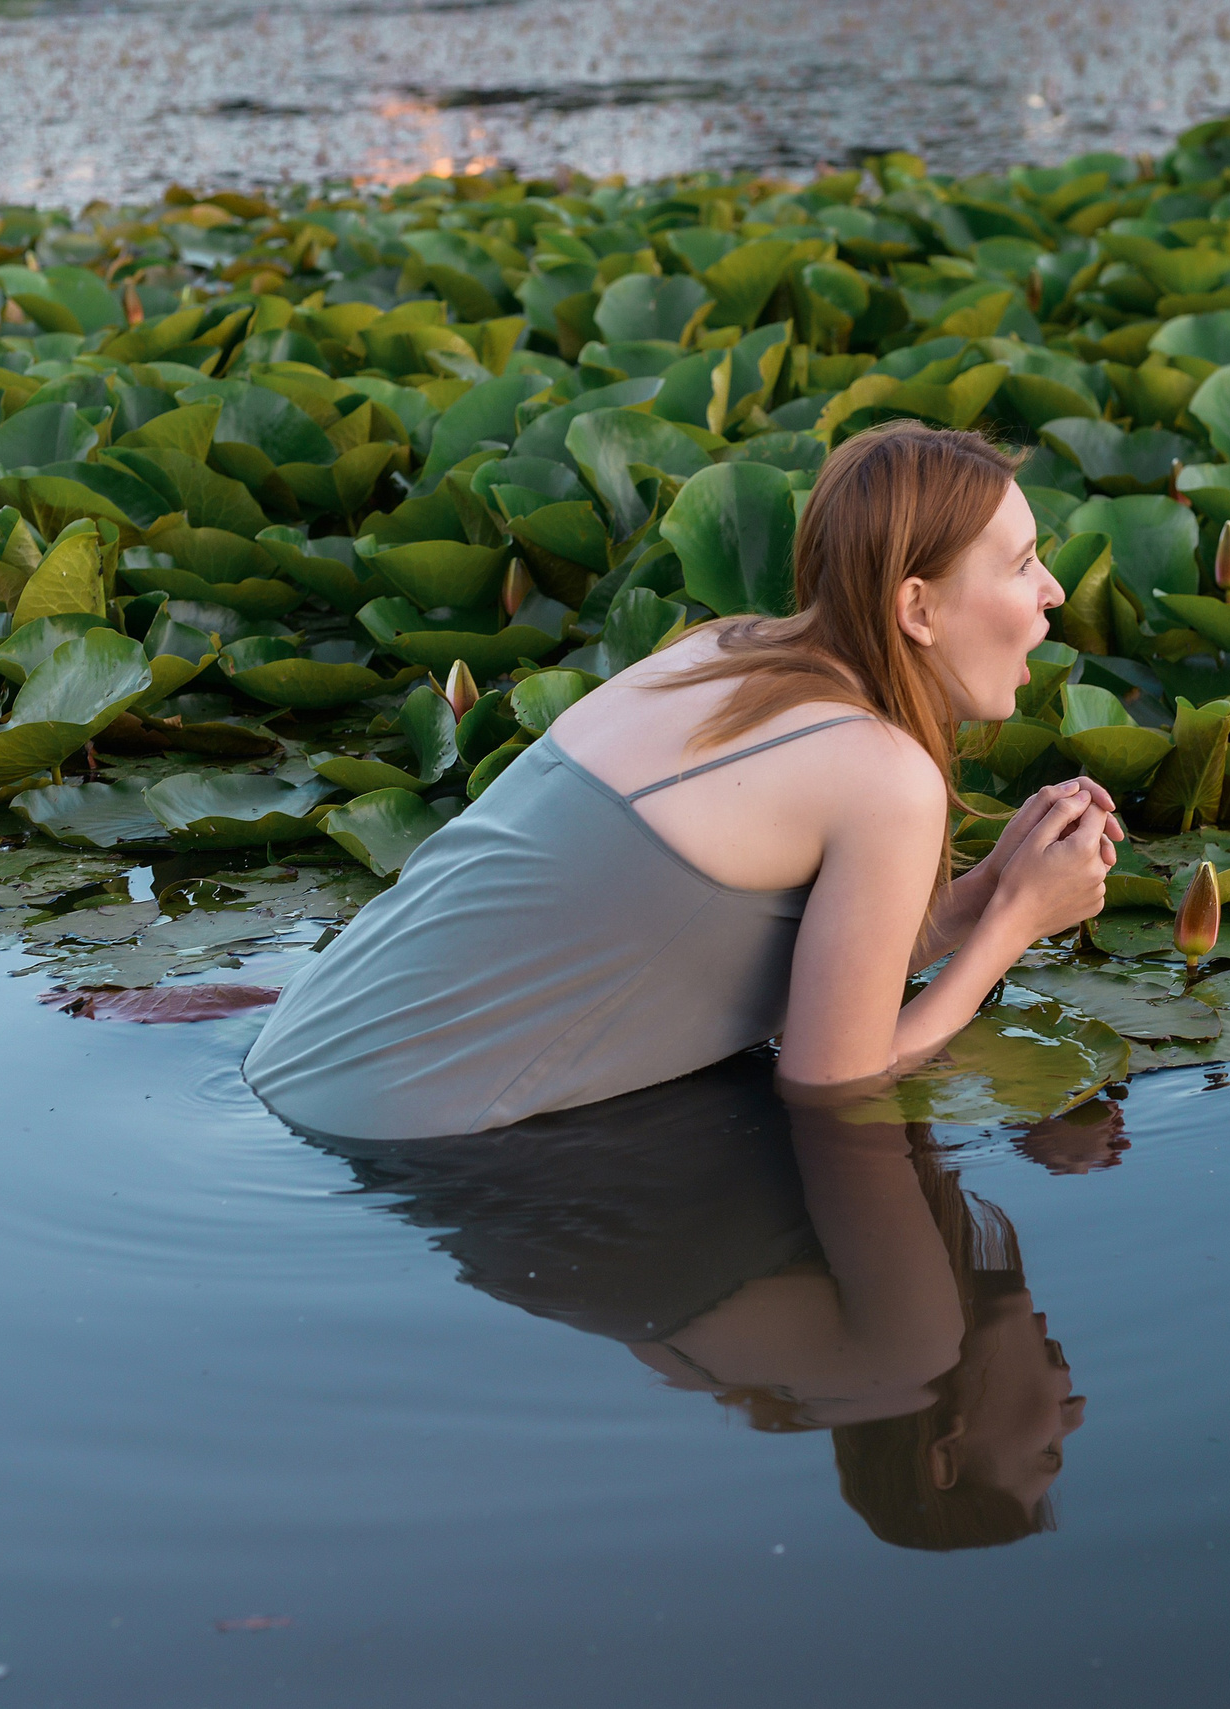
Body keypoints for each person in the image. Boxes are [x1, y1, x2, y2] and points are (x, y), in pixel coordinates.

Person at [244, 420, 1125, 1141]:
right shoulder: (886, 773)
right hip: (401, 1136)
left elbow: (745, 958)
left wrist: (983, 892)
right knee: (900, 1346)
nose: (1051, 591)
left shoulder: (722, 648)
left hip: (294, 1048)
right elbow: (834, 1085)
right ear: (917, 609)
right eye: (1021, 564)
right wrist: (1014, 926)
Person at [308, 1055, 1090, 1550]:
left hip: (473, 1140)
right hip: (476, 1167)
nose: (1074, 1413)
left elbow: (848, 1086)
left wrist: (1018, 918)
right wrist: (1027, 1107)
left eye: (1046, 1452)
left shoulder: (902, 1359)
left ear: (942, 1458)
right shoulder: (829, 1376)